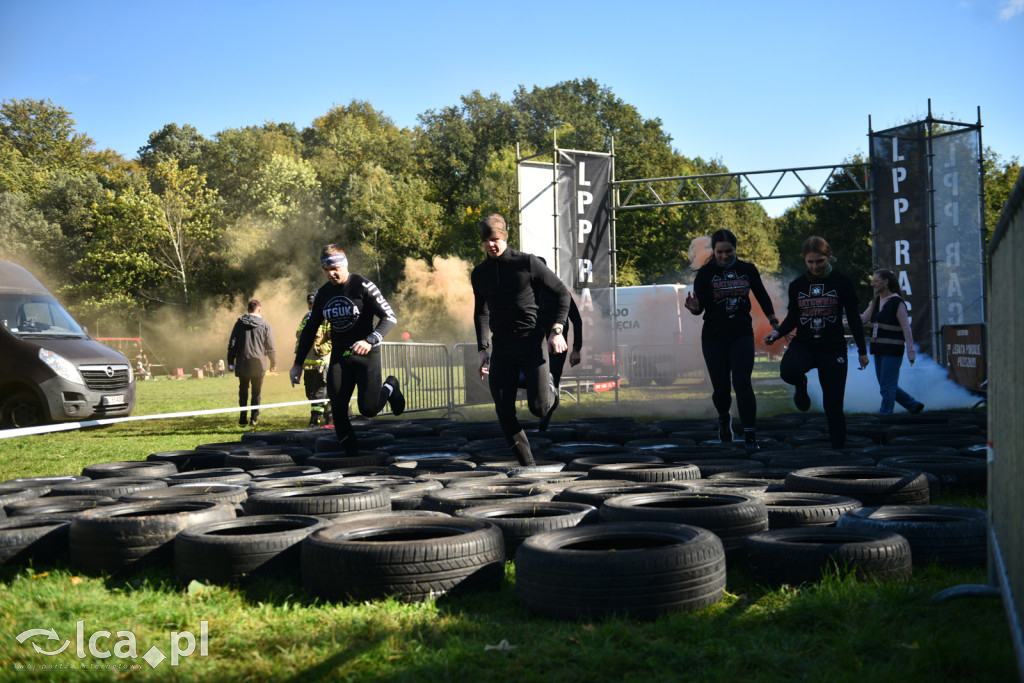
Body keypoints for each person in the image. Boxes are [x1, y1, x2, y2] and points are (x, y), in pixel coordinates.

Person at [472, 213, 570, 465]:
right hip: (502, 346)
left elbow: (562, 293)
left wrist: (557, 329)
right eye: (486, 240)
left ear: (504, 237)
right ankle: (529, 466)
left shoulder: (527, 263)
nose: (491, 244)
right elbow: (481, 311)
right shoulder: (480, 273)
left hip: (531, 341)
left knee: (539, 408)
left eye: (495, 239)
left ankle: (549, 387)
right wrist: (483, 348)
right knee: (503, 411)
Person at [290, 245, 404, 455]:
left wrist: (370, 340)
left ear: (345, 264)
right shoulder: (322, 294)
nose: (331, 273)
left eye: (335, 267)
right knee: (338, 410)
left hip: (367, 355)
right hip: (340, 357)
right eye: (326, 269)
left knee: (368, 409)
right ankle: (352, 457)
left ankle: (390, 386)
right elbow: (309, 330)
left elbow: (390, 317)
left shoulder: (363, 286)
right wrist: (297, 364)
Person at [764, 236, 868, 449]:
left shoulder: (842, 282)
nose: (815, 266)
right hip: (805, 344)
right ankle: (801, 385)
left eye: (819, 261)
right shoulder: (797, 286)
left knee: (833, 404)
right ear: (804, 260)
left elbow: (855, 318)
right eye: (810, 262)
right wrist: (777, 333)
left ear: (828, 256)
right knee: (788, 371)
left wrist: (862, 350)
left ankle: (839, 450)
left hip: (832, 347)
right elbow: (793, 318)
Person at [684, 229, 778, 453]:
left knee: (743, 382)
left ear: (735, 249)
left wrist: (774, 321)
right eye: (720, 252)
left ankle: (750, 435)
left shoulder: (746, 269)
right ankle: (724, 417)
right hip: (714, 336)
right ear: (713, 251)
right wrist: (695, 309)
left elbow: (762, 296)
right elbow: (700, 308)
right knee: (721, 390)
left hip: (741, 333)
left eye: (728, 252)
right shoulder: (705, 274)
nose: (724, 256)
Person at [860, 268, 925, 415]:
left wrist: (911, 352)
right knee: (886, 385)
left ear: (886, 282)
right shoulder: (875, 301)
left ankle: (885, 415)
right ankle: (913, 405)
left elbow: (906, 329)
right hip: (878, 349)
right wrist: (844, 317)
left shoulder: (897, 302)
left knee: (887, 386)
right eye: (872, 281)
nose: (873, 284)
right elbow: (863, 319)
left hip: (892, 350)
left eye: (876, 281)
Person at [535, 256, 582, 432]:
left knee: (552, 381)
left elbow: (577, 321)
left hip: (556, 346)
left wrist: (577, 349)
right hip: (535, 345)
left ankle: (544, 422)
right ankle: (543, 408)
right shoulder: (527, 293)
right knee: (536, 380)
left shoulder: (560, 293)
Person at [228, 299, 277, 427]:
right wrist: (273, 362)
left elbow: (232, 343)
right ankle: (254, 418)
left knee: (243, 390)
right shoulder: (265, 324)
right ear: (259, 310)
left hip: (243, 362)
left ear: (248, 310)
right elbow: (270, 346)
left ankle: (242, 417)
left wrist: (230, 361)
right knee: (256, 392)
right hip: (258, 363)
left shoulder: (239, 324)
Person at [296, 291, 334, 428]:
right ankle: (329, 413)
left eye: (314, 303)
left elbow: (333, 339)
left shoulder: (327, 317)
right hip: (308, 364)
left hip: (322, 363)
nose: (311, 306)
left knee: (318, 393)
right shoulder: (306, 317)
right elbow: (299, 336)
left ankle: (315, 422)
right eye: (309, 303)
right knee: (310, 393)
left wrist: (320, 350)